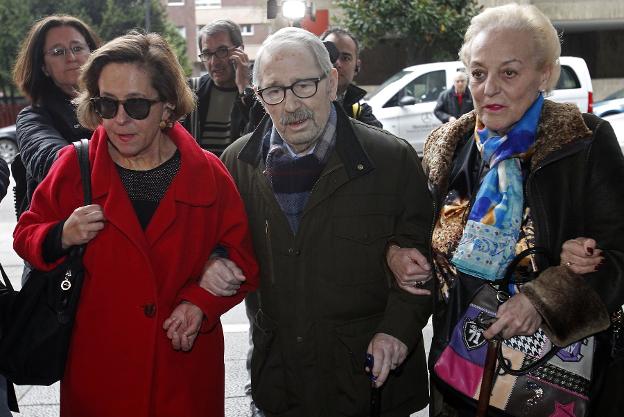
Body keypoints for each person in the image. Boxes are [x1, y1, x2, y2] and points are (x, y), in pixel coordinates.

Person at [386, 4, 624, 417]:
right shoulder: (450, 149)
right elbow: (419, 239)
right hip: (457, 376)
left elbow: (619, 258)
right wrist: (397, 256)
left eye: (509, 72)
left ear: (544, 74)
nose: (489, 88)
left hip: (548, 384)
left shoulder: (584, 144)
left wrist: (544, 301)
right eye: (479, 73)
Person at [13, 32, 258, 417]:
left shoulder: (208, 173)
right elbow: (26, 236)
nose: (120, 119)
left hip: (183, 376)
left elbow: (243, 257)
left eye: (137, 105)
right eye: (107, 105)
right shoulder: (74, 167)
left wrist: (201, 301)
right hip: (98, 376)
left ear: (167, 108)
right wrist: (60, 235)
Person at [215, 27, 433, 417]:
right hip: (279, 385)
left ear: (332, 83)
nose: (290, 105)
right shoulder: (238, 164)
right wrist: (214, 260)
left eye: (304, 86)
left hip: (367, 388)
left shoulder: (391, 159)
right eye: (274, 91)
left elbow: (425, 265)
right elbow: (223, 245)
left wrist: (396, 331)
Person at [13, 15, 100, 210]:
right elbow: (52, 163)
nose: (71, 57)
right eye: (58, 52)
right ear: (43, 67)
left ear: (92, 53)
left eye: (77, 48)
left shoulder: (118, 102)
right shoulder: (33, 117)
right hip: (66, 226)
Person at [182, 19, 263, 155]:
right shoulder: (191, 90)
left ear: (240, 51)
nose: (214, 62)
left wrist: (244, 87)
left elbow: (262, 133)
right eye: (207, 54)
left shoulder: (261, 91)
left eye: (222, 51)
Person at [320, 27, 382, 128]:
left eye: (345, 58)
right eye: (330, 56)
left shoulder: (361, 115)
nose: (337, 63)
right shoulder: (298, 103)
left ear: (357, 67)